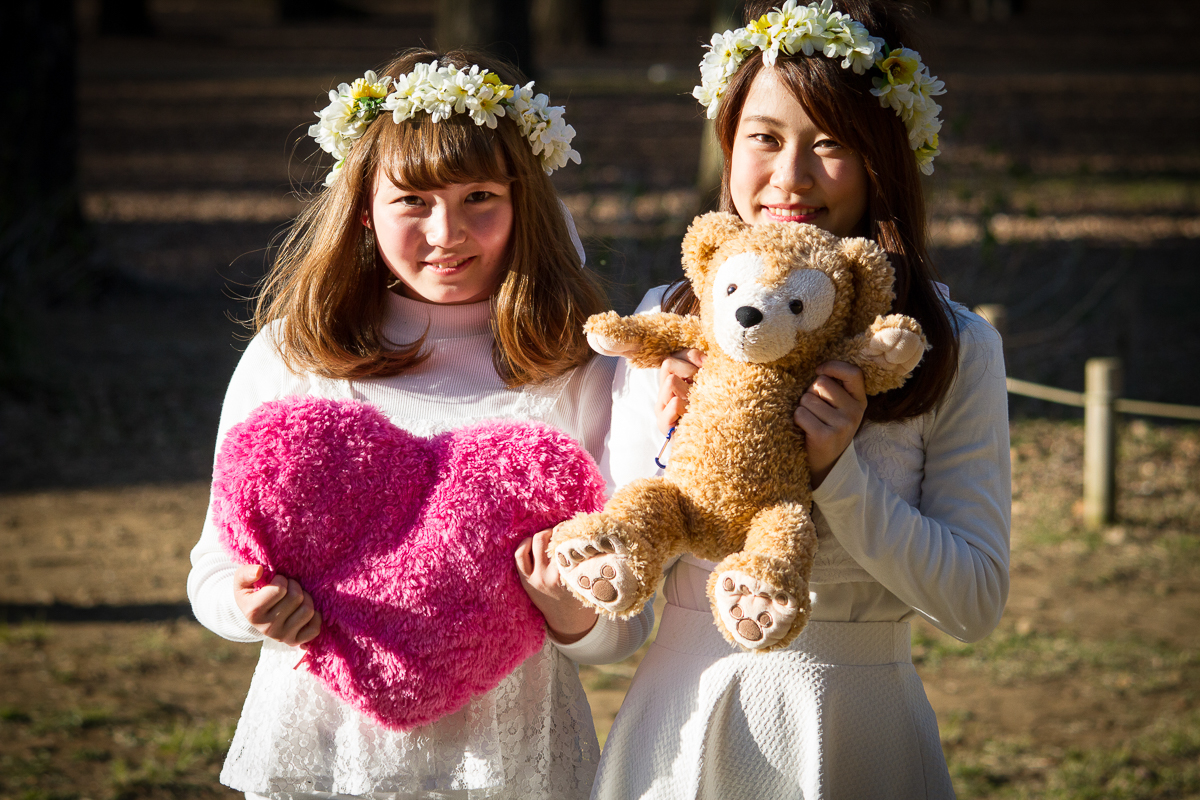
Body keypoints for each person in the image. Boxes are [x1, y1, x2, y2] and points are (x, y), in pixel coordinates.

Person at [186, 49, 652, 800]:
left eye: (479, 198)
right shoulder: (294, 355)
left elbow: (625, 621)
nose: (447, 232)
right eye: (413, 200)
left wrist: (571, 611)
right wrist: (247, 607)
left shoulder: (581, 368)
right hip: (326, 755)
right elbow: (213, 564)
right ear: (362, 207)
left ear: (525, 203)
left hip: (511, 761)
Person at [591, 1, 1011, 798]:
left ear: (885, 155)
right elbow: (616, 609)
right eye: (764, 137)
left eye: (831, 143)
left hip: (859, 721)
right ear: (727, 143)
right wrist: (668, 439)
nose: (790, 177)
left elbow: (974, 603)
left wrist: (837, 475)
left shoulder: (949, 346)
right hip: (683, 717)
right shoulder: (669, 319)